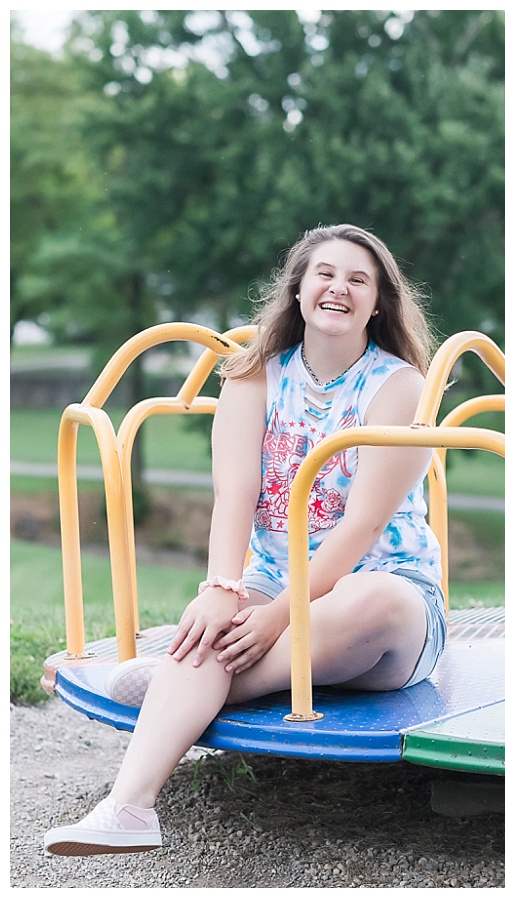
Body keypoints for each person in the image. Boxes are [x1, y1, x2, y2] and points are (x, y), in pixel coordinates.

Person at [44, 224, 447, 855]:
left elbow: (363, 525)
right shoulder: (255, 375)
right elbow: (234, 495)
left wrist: (278, 620)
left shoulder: (397, 385)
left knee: (374, 601)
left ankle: (182, 686)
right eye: (325, 273)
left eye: (358, 280)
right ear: (297, 290)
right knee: (211, 624)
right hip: (269, 584)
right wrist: (221, 590)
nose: (338, 288)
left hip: (376, 606)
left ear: (379, 303)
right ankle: (128, 809)